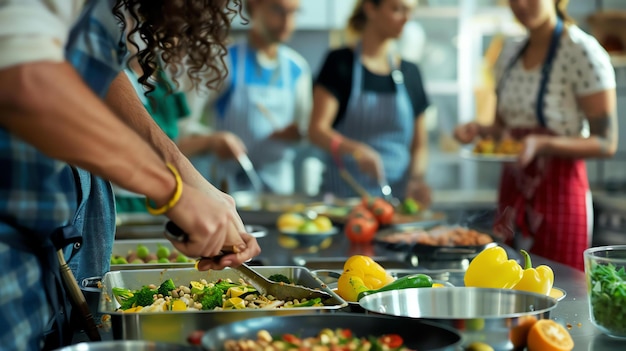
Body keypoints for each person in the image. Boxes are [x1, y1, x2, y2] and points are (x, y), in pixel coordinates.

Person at [0, 1, 261, 349]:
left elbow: (102, 77)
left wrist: (191, 181)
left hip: (45, 253)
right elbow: (23, 84)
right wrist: (172, 192)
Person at [454, 0, 617, 271]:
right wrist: (480, 130)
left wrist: (541, 143)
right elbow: (502, 128)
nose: (520, 4)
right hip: (513, 192)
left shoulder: (582, 52)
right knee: (507, 284)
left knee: (557, 288)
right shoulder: (509, 53)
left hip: (561, 194)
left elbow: (607, 142)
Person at [308, 0, 432, 206]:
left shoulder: (411, 72)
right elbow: (317, 131)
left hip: (396, 204)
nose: (406, 18)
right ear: (371, 8)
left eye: (409, 11)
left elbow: (419, 145)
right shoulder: (339, 63)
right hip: (344, 203)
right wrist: (355, 150)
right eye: (397, 9)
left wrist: (417, 180)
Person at [182, 0, 312, 194]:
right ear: (255, 6)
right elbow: (183, 126)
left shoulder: (297, 68)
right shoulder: (223, 61)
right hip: (227, 187)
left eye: (293, 13)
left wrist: (298, 134)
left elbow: (307, 131)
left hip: (279, 190)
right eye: (278, 10)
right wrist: (213, 140)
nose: (287, 22)